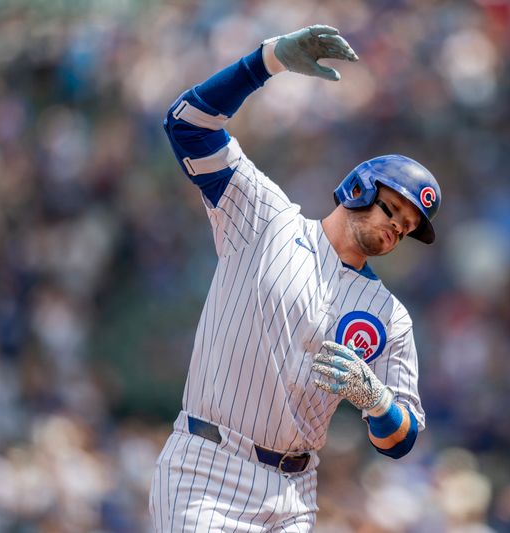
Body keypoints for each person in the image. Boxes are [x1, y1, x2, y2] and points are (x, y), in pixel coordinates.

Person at [149, 24, 441, 532]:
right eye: (393, 208)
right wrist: (266, 61)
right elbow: (187, 124)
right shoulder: (266, 218)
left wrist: (377, 401)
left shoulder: (388, 316)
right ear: (359, 187)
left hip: (294, 493)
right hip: (208, 470)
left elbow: (405, 437)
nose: (397, 226)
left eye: (408, 226)